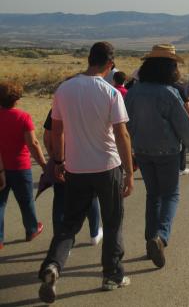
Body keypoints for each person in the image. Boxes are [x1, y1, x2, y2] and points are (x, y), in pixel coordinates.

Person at [38, 42, 134, 302]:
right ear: (110, 65)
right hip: (107, 166)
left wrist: (58, 162)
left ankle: (53, 265)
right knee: (113, 221)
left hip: (75, 167)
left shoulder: (64, 89)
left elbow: (56, 130)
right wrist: (129, 171)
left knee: (69, 224)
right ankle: (112, 275)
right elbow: (121, 133)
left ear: (89, 59)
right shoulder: (111, 93)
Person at [125, 44, 189, 269]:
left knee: (153, 196)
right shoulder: (168, 93)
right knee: (171, 195)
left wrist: (128, 151)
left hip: (141, 150)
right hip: (167, 151)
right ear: (169, 68)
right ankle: (160, 237)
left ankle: (150, 240)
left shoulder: (134, 92)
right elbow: (184, 126)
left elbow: (125, 124)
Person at [43, 109, 102, 244]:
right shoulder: (91, 107)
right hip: (85, 161)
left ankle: (61, 240)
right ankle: (94, 233)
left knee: (60, 200)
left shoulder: (58, 109)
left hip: (63, 161)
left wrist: (55, 157)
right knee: (91, 197)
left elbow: (47, 137)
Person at [0, 82, 47, 250]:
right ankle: (32, 229)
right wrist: (43, 164)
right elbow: (33, 143)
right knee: (26, 201)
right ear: (17, 99)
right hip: (20, 167)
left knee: (0, 204)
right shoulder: (23, 117)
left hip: (1, 168)